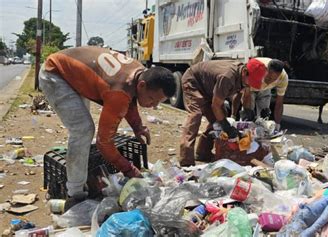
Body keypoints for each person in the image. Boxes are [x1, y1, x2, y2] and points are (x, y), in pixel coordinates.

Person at [39, 46, 176, 208]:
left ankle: (80, 175)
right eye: (152, 100)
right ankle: (75, 194)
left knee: (83, 130)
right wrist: (129, 169)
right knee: (83, 130)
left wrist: (138, 127)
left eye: (157, 103)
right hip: (55, 73)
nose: (153, 106)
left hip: (71, 72)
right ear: (142, 85)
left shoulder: (138, 73)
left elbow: (130, 100)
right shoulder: (119, 92)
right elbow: (104, 142)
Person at [179, 59, 267, 166]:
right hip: (194, 81)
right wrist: (226, 126)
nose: (250, 84)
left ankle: (203, 153)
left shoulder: (244, 76)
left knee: (218, 119)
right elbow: (215, 106)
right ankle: (186, 160)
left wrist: (247, 113)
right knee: (196, 115)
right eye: (251, 81)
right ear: (244, 72)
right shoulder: (227, 77)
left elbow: (245, 95)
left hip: (208, 87)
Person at [233, 58, 288, 131]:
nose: (270, 81)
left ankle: (260, 137)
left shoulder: (283, 78)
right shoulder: (255, 69)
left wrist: (277, 124)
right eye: (268, 78)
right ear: (266, 70)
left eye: (273, 79)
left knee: (263, 118)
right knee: (246, 119)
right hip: (250, 87)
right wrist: (233, 116)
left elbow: (279, 102)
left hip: (265, 90)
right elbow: (240, 94)